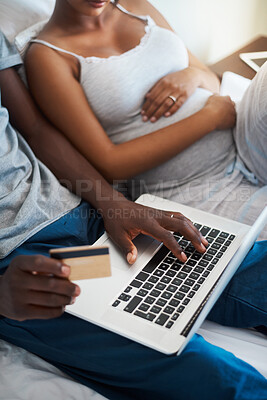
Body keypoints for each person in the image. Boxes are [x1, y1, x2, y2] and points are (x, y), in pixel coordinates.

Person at [0, 31, 267, 400]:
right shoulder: (49, 55)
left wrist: (112, 203)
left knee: (234, 265)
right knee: (209, 376)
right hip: (21, 268)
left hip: (81, 222)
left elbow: (34, 128)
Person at [24, 0, 267, 238]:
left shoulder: (136, 6)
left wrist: (191, 75)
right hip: (193, 186)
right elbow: (110, 164)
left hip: (241, 138)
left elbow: (210, 79)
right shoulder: (48, 57)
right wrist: (209, 118)